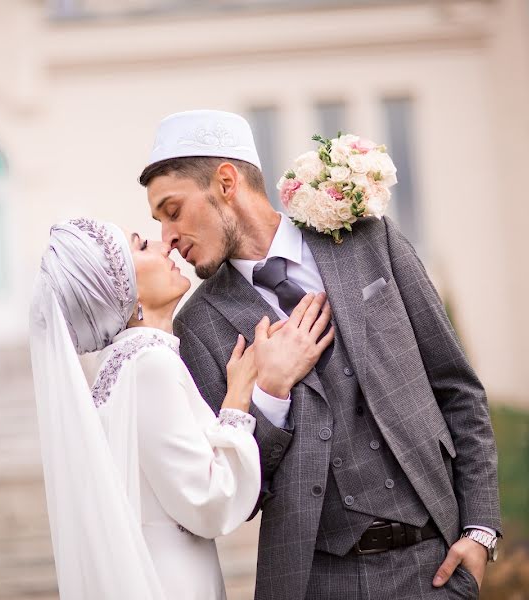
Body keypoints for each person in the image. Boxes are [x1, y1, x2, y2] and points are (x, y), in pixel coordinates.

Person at [139, 109, 501, 600]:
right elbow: (239, 496)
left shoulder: (370, 240)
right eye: (158, 221)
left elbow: (457, 387)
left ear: (226, 182)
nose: (168, 237)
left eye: (173, 210)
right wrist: (269, 393)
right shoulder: (197, 327)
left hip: (435, 564)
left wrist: (480, 530)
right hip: (317, 582)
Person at [29, 216, 334, 599]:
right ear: (123, 291)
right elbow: (209, 501)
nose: (163, 246)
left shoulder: (124, 366)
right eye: (142, 247)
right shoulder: (149, 365)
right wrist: (240, 396)